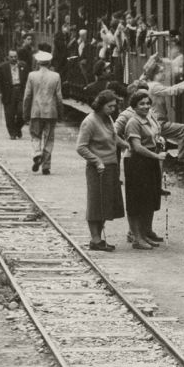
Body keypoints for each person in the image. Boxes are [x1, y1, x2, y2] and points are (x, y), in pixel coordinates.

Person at [115, 90, 169, 249]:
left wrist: (159, 141)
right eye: (141, 104)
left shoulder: (150, 116)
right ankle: (137, 237)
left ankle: (145, 234)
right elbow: (136, 147)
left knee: (149, 198)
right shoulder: (133, 122)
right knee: (136, 200)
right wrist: (156, 156)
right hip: (137, 162)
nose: (146, 106)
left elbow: (155, 134)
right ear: (134, 106)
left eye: (147, 103)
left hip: (149, 160)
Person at [75, 91, 125, 252]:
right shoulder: (89, 122)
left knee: (106, 203)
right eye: (109, 106)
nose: (113, 109)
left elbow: (113, 137)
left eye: (114, 106)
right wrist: (97, 161)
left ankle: (98, 238)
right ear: (101, 105)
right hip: (98, 169)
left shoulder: (108, 118)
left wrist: (126, 144)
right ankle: (95, 239)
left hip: (111, 166)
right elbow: (81, 147)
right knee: (96, 203)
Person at [142, 56, 184, 163]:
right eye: (161, 72)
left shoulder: (151, 85)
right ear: (154, 74)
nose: (163, 74)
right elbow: (173, 91)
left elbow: (172, 88)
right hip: (159, 124)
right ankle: (183, 157)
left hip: (155, 123)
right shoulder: (155, 87)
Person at [23, 50, 63, 174]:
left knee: (35, 135)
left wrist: (25, 113)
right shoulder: (56, 76)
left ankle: (37, 153)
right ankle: (46, 166)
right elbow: (59, 97)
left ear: (38, 62)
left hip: (36, 111)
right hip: (51, 112)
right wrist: (60, 113)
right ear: (49, 62)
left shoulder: (31, 75)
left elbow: (27, 96)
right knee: (49, 139)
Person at [0, 49, 30, 140]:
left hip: (21, 91)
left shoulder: (23, 65)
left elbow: (27, 79)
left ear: (17, 57)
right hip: (9, 92)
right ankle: (12, 133)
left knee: (22, 112)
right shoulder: (2, 67)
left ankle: (17, 128)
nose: (13, 58)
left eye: (15, 57)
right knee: (9, 114)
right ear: (8, 57)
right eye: (11, 57)